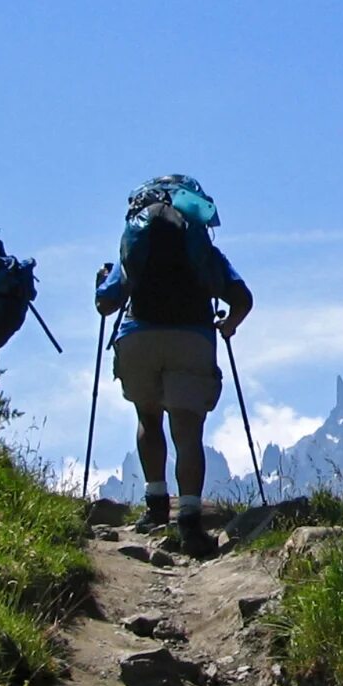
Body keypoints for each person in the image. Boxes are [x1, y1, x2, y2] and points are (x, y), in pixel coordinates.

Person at [95, 176, 253, 558]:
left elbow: (106, 302)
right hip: (191, 338)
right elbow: (242, 298)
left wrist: (102, 282)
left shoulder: (136, 241)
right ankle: (190, 521)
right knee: (188, 430)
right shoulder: (199, 244)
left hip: (138, 337)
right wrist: (228, 325)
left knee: (148, 419)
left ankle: (154, 506)